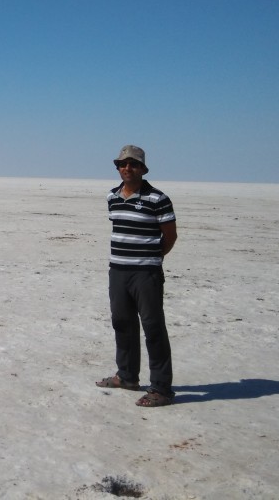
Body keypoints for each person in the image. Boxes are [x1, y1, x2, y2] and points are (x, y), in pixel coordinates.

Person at [96, 145, 178, 407]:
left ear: (143, 168)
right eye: (122, 164)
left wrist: (151, 258)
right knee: (122, 322)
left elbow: (170, 236)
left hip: (146, 273)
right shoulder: (112, 197)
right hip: (118, 271)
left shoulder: (158, 199)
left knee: (153, 327)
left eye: (133, 164)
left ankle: (161, 388)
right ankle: (127, 376)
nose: (127, 168)